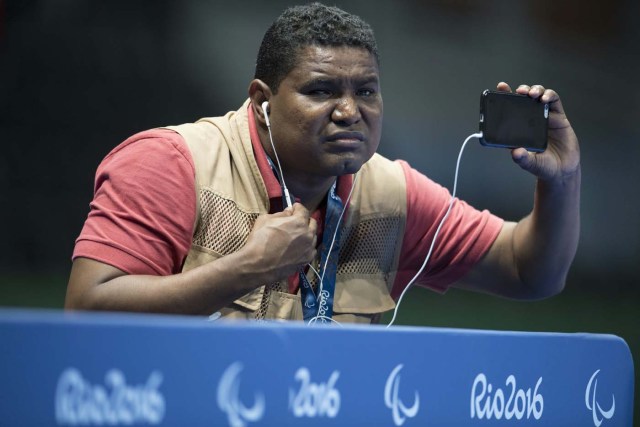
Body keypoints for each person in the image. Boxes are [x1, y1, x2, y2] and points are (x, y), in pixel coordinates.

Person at [65, 3, 580, 324]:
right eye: (321, 90)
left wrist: (562, 182)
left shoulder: (392, 193)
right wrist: (244, 270)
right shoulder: (173, 163)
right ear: (263, 101)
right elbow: (88, 309)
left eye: (367, 92)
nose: (350, 112)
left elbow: (529, 272)